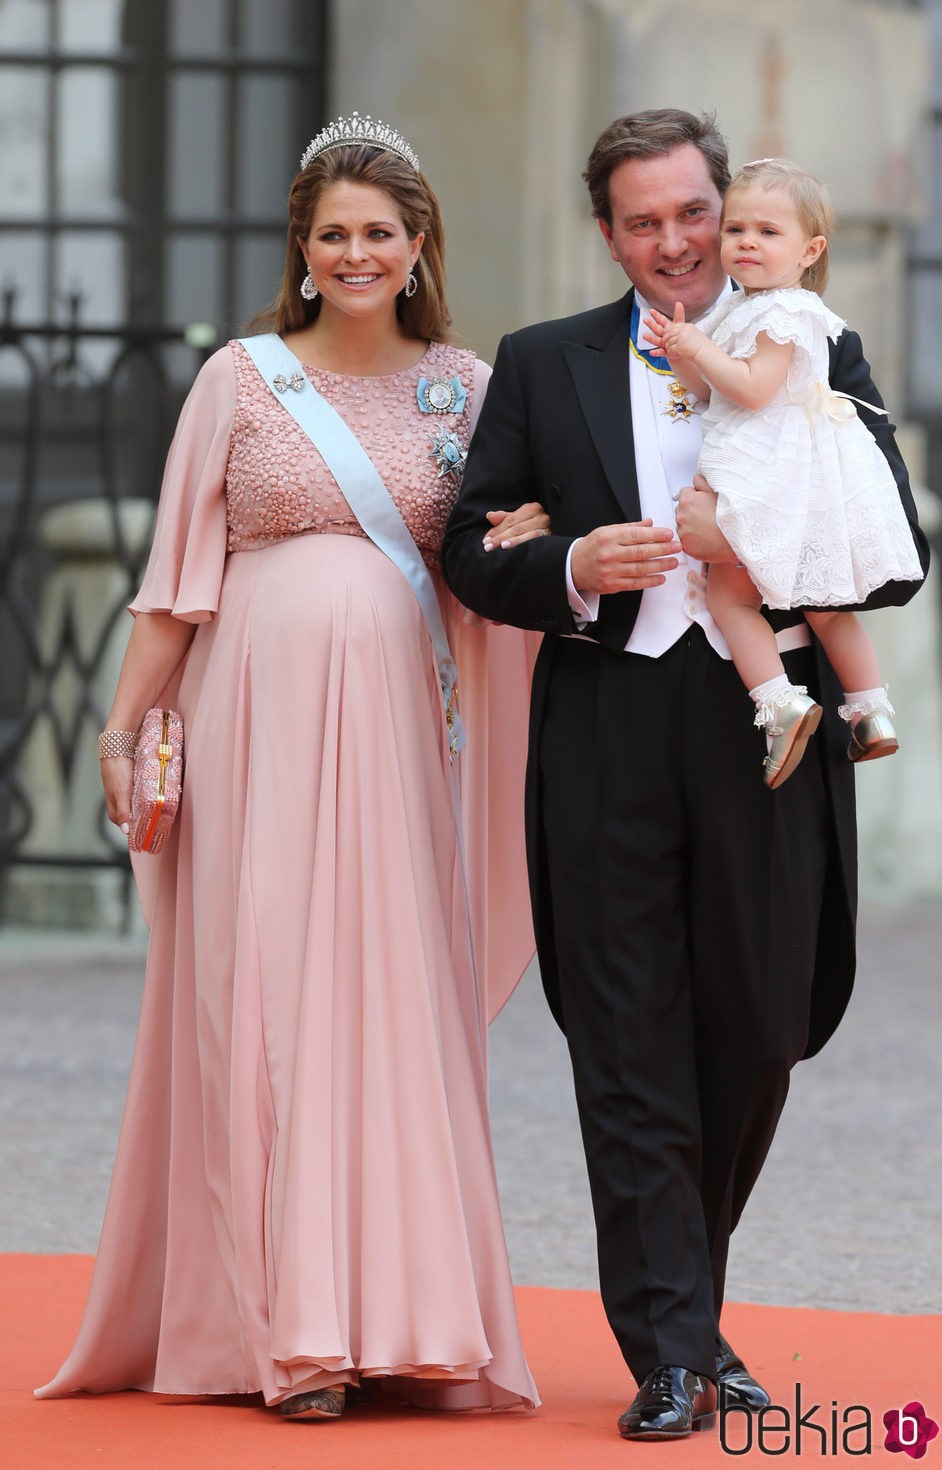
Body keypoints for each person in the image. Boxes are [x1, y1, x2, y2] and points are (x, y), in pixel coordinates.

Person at [37, 113, 545, 1420]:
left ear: (418, 245)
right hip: (251, 725)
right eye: (335, 233)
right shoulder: (239, 379)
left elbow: (488, 566)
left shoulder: (470, 387)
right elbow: (173, 586)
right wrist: (119, 723)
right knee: (258, 1002)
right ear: (304, 252)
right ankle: (286, 1333)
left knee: (386, 1005)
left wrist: (542, 538)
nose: (358, 250)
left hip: (395, 742)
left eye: (381, 231)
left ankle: (406, 1322)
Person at [442, 109, 928, 1441]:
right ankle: (673, 1343)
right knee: (626, 1039)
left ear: (731, 210)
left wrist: (761, 543)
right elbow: (469, 547)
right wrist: (566, 568)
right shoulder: (543, 364)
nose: (672, 242)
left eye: (692, 213)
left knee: (761, 1026)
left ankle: (686, 1306)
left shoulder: (818, 340)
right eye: (642, 220)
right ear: (607, 230)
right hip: (605, 726)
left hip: (763, 726)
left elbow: (895, 555)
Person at [644, 158, 922, 788]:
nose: (746, 242)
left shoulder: (787, 312)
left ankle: (781, 704)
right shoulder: (745, 308)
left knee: (729, 595)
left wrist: (700, 349)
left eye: (768, 232)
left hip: (770, 467)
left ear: (809, 250)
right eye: (735, 228)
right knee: (822, 605)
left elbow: (751, 390)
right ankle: (870, 712)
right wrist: (684, 356)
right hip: (780, 461)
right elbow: (708, 391)